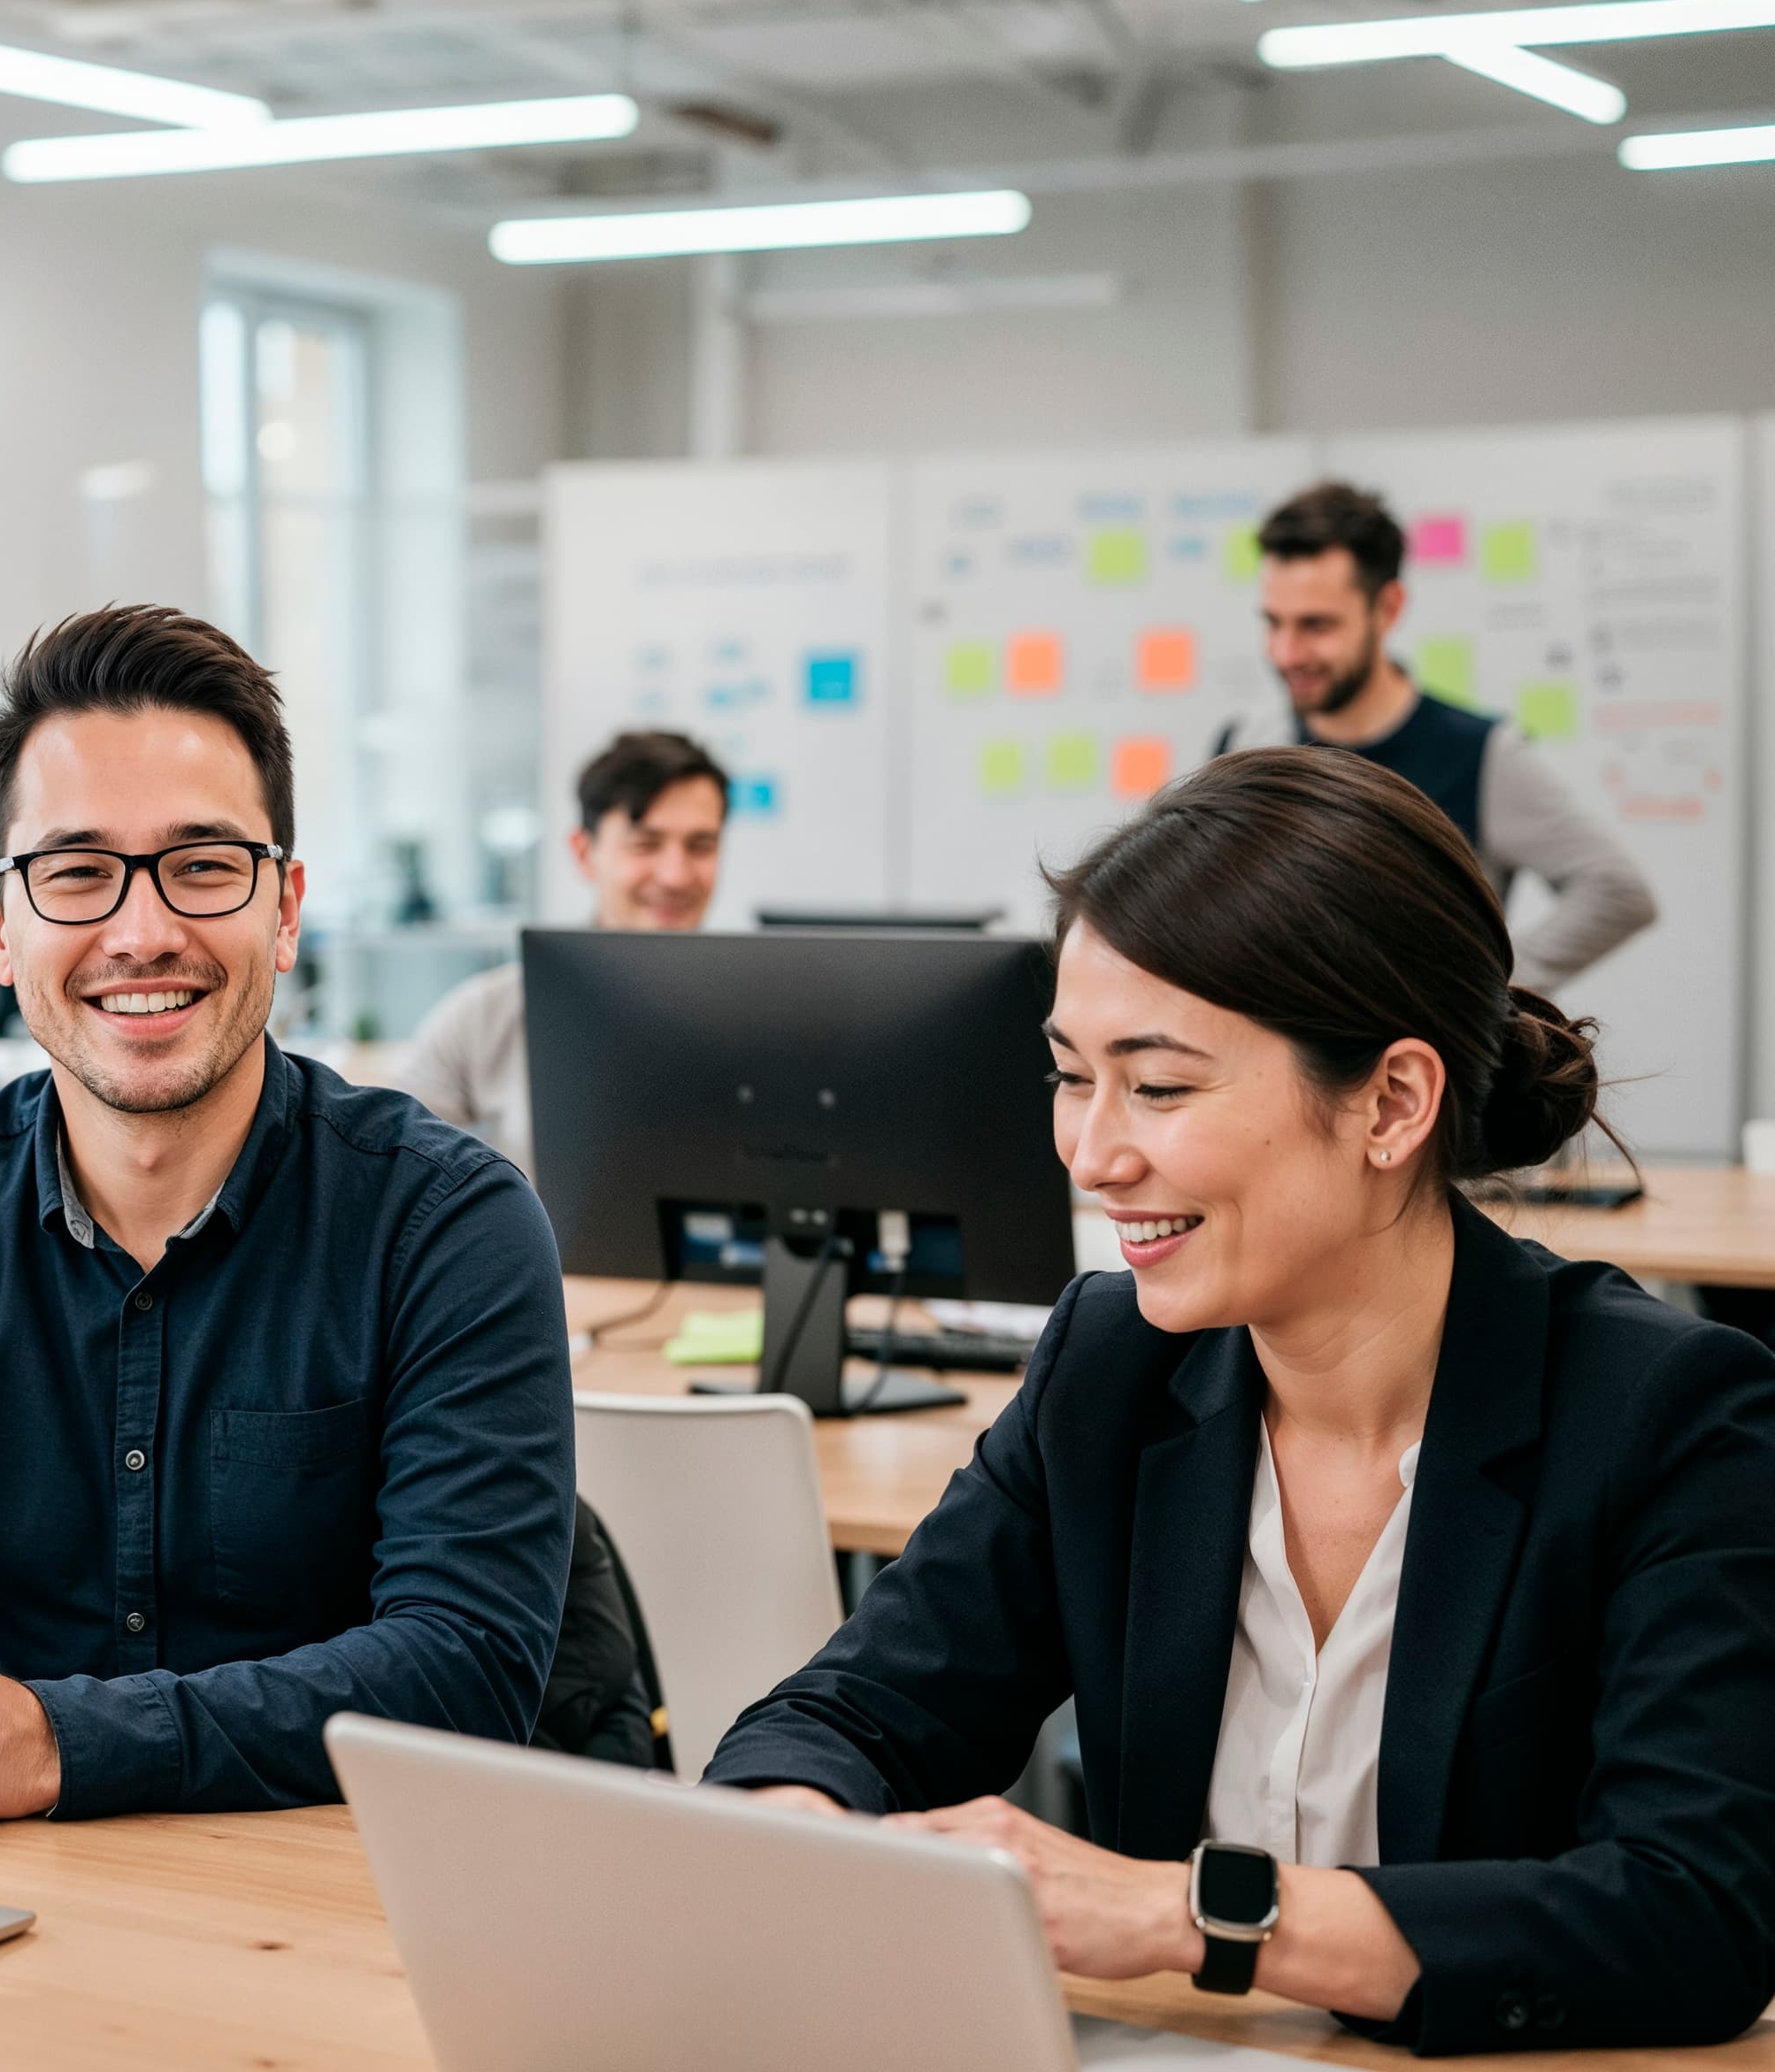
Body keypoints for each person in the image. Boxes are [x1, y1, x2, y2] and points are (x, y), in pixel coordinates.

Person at [704, 748, 1775, 2054]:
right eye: (1068, 1075)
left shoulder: (1670, 1415)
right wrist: (796, 1826)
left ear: (1390, 1102)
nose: (1095, 1153)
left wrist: (1193, 1915)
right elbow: (854, 1711)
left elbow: (1692, 1915)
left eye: (1159, 1086)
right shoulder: (1110, 1368)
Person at [0, 605, 576, 1822]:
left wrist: (52, 1743)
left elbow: (466, 1665)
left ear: (286, 909)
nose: (144, 933)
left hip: (353, 1903)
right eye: (76, 872)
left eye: (203, 866)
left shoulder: (447, 1225)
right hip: (10, 1891)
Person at [1215, 480, 1652, 996]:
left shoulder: (1479, 753)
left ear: (1389, 608)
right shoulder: (1247, 747)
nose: (1287, 653)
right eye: (1274, 623)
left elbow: (1618, 892)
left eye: (1316, 626)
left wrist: (1477, 997)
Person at [392, 728, 725, 1172]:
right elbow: (392, 1170)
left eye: (700, 846)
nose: (676, 875)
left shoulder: (768, 1021)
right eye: (646, 844)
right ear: (584, 853)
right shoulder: (484, 1016)